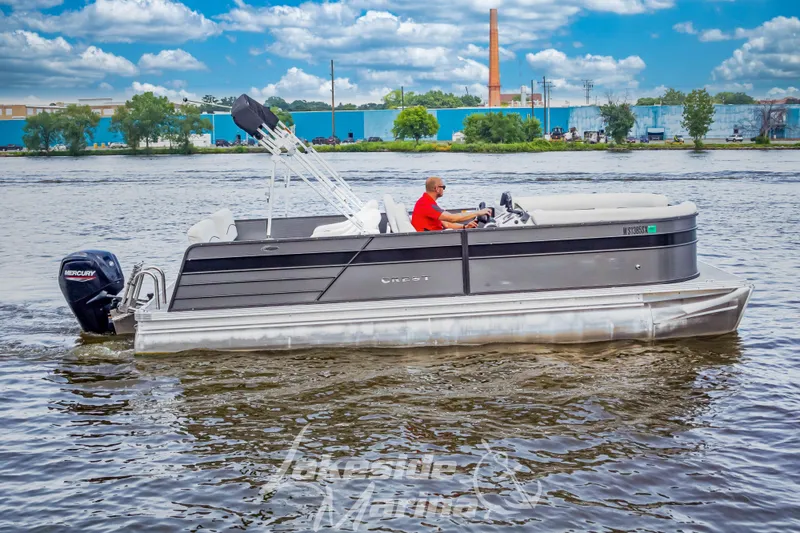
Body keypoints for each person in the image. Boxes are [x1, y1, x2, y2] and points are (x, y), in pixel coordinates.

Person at [411, 176, 492, 232]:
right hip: (430, 241)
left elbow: (446, 223)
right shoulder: (426, 204)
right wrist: (478, 212)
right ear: (437, 189)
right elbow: (452, 218)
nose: (443, 189)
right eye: (443, 187)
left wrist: (464, 227)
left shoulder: (428, 202)